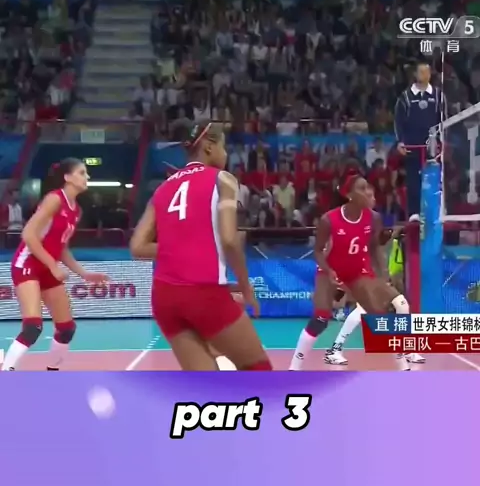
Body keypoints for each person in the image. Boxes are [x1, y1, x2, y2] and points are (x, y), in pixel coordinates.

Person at [130, 120, 272, 371]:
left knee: (205, 383)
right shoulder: (223, 179)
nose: (225, 154)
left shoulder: (163, 188)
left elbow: (137, 247)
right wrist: (245, 285)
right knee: (258, 370)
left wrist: (181, 245)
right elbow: (229, 240)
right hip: (204, 293)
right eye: (224, 147)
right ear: (209, 147)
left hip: (164, 298)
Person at [289, 174, 424, 371]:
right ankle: (294, 367)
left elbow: (374, 249)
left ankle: (403, 365)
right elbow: (317, 251)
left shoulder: (374, 218)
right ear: (349, 195)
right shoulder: (329, 220)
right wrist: (329, 271)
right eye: (362, 188)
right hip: (329, 271)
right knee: (320, 319)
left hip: (357, 272)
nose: (368, 192)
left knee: (382, 315)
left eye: (368, 187)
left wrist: (382, 276)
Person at [2, 159, 109, 371]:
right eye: (82, 172)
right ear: (67, 177)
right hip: (28, 264)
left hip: (47, 267)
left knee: (66, 329)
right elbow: (28, 235)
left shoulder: (76, 211)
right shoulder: (54, 199)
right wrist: (52, 266)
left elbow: (62, 247)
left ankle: (52, 372)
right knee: (33, 327)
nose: (87, 177)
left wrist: (84, 273)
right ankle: (6, 373)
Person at [394, 61, 445, 221]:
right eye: (421, 72)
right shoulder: (405, 97)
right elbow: (398, 121)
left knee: (434, 178)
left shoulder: (438, 95)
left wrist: (442, 140)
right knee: (413, 180)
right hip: (412, 145)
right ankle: (414, 213)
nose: (424, 75)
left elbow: (444, 119)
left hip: (432, 145)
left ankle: (435, 211)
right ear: (415, 74)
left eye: (427, 72)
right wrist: (400, 142)